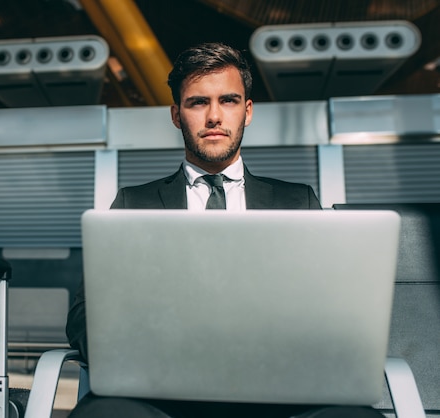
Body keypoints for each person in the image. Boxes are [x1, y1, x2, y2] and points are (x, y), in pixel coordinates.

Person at [65, 42, 382, 418]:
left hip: (278, 392)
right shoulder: (133, 204)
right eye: (198, 103)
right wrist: (130, 353)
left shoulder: (297, 202)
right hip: (161, 395)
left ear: (247, 112)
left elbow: (333, 310)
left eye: (228, 100)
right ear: (176, 115)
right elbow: (84, 313)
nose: (214, 116)